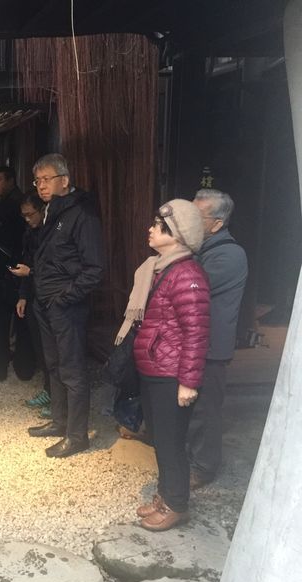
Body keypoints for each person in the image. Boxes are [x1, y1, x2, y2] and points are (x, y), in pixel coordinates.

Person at [120, 199, 209, 531]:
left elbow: (197, 332)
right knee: (160, 438)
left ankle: (176, 505)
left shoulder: (187, 274)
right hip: (155, 368)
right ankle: (166, 495)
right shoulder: (160, 268)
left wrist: (188, 382)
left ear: (177, 234)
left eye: (158, 226)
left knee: (171, 442)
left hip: (171, 373)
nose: (151, 229)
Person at [26, 154, 103, 458]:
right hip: (45, 301)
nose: (41, 186)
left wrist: (64, 297)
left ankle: (77, 435)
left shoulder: (81, 213)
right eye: (37, 181)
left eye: (47, 179)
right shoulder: (52, 211)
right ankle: (59, 422)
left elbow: (95, 269)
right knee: (53, 365)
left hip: (66, 306)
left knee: (72, 370)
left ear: (65, 180)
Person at [187, 189, 248, 489]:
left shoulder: (229, 254)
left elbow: (192, 287)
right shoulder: (201, 248)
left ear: (217, 223)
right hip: (195, 342)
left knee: (206, 409)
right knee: (191, 405)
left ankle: (204, 467)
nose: (190, 221)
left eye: (197, 217)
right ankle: (189, 455)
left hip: (211, 346)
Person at [0, 166, 35, 381]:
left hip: (10, 269)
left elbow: (8, 240)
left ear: (11, 180)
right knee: (21, 322)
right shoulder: (11, 201)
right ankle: (24, 369)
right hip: (16, 268)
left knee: (3, 321)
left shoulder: (13, 204)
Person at [11, 194, 51, 414]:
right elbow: (26, 263)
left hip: (53, 297)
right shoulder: (29, 233)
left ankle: (57, 398)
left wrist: (32, 272)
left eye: (30, 214)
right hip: (34, 295)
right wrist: (23, 295)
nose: (27, 219)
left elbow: (57, 269)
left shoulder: (52, 231)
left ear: (42, 209)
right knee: (41, 348)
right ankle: (49, 390)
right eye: (23, 216)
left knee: (54, 352)